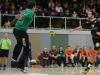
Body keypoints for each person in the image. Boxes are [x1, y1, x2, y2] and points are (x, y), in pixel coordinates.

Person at [4, 1, 36, 72]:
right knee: (26, 49)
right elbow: (27, 15)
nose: (35, 8)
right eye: (35, 7)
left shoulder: (24, 10)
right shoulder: (30, 12)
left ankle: (14, 58)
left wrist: (10, 24)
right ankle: (20, 66)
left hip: (15, 30)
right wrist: (23, 16)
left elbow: (17, 18)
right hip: (21, 32)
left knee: (20, 43)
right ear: (33, 7)